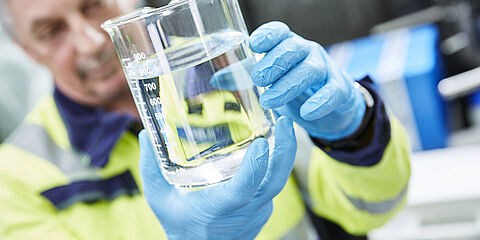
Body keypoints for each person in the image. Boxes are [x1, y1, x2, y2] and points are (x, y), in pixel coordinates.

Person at [0, 0, 411, 239]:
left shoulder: (234, 68)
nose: (90, 41)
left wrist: (355, 132)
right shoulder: (14, 180)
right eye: (51, 31)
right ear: (28, 50)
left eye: (93, 5)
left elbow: (370, 208)